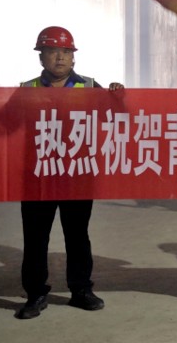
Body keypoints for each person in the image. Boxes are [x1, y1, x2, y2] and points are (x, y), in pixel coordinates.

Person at [16, 26, 124, 320]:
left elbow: (117, 118)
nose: (60, 57)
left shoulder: (90, 87)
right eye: (52, 51)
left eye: (65, 52)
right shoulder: (26, 89)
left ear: (73, 57)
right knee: (35, 237)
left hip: (77, 174)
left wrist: (118, 97)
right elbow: (7, 127)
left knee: (77, 235)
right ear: (41, 57)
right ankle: (35, 294)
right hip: (38, 177)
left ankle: (80, 290)